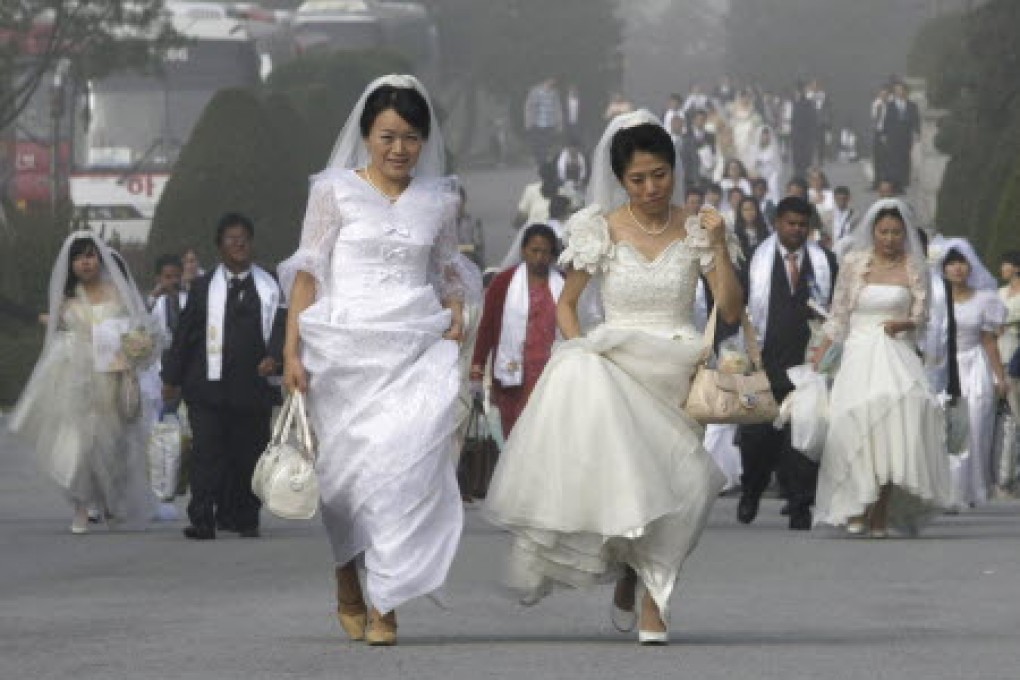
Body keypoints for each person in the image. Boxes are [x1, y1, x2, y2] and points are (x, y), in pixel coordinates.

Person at [484, 111, 743, 645]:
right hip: (617, 366)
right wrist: (581, 350)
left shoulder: (699, 229)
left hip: (677, 370)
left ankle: (650, 590)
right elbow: (568, 304)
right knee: (630, 483)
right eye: (637, 179)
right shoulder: (597, 229)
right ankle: (645, 590)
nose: (650, 188)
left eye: (660, 175)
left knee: (684, 486)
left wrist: (719, 246)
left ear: (675, 171)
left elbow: (731, 311)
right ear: (621, 180)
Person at [278, 75, 481, 646]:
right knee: (344, 482)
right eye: (388, 136)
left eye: (411, 137)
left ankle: (385, 601)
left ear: (424, 142)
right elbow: (308, 273)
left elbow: (448, 269)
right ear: (367, 135)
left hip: (413, 346)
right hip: (340, 350)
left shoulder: (440, 200)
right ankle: (347, 572)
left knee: (402, 472)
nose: (399, 148)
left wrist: (456, 311)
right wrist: (291, 350)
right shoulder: (333, 191)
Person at [812, 199, 951, 536]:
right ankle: (855, 502)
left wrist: (904, 324)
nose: (889, 238)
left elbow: (922, 315)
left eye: (896, 232)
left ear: (905, 234)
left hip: (896, 351)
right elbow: (839, 314)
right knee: (852, 422)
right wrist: (821, 353)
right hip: (858, 352)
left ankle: (881, 510)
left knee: (898, 422)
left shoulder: (914, 267)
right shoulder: (853, 263)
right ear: (873, 232)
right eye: (884, 231)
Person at [9, 231, 155, 533]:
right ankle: (80, 506)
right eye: (78, 258)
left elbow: (137, 330)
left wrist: (135, 355)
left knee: (113, 444)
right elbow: (55, 328)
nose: (85, 263)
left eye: (89, 255)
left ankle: (110, 501)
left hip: (112, 376)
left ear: (100, 259)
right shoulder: (67, 299)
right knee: (77, 444)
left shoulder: (118, 292)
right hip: (75, 376)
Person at [161, 213, 285, 541]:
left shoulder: (271, 285)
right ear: (220, 246)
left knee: (249, 454)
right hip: (207, 387)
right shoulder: (203, 288)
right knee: (207, 453)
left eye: (244, 238)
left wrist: (275, 357)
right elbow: (185, 335)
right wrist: (171, 379)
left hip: (253, 388)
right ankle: (202, 517)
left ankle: (245, 516)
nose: (239, 244)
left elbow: (283, 327)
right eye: (231, 238)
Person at [739, 196, 838, 530]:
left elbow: (837, 310)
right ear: (777, 224)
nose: (796, 230)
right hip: (763, 361)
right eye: (790, 224)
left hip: (807, 363)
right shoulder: (754, 259)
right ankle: (751, 489)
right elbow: (734, 305)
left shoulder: (826, 263)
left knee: (805, 433)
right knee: (756, 437)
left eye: (802, 225)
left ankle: (800, 505)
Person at [471, 225, 562, 436]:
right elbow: (487, 328)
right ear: (523, 250)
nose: (539, 258)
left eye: (545, 252)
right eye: (534, 251)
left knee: (550, 433)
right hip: (514, 379)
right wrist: (477, 369)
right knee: (516, 436)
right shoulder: (503, 283)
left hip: (552, 372)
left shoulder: (562, 284)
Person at [937, 242, 1007, 508]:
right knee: (948, 429)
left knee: (976, 426)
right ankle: (948, 491)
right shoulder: (937, 300)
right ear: (943, 269)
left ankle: (972, 489)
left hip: (975, 365)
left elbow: (989, 340)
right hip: (945, 367)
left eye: (962, 263)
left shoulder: (984, 299)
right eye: (952, 263)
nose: (957, 268)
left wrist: (1000, 377)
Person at [996, 251, 1020, 496]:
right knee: (1004, 419)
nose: (1003, 268)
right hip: (998, 356)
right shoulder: (1000, 293)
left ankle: (1008, 476)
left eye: (1007, 264)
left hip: (1016, 358)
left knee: (1014, 416)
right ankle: (1003, 476)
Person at [880, 81, 920, 189]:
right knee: (893, 158)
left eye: (900, 89)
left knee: (905, 157)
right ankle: (895, 180)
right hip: (893, 135)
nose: (898, 92)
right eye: (896, 90)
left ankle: (905, 180)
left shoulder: (912, 105)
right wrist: (884, 134)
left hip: (906, 135)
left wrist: (916, 132)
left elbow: (916, 120)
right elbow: (886, 120)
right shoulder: (890, 105)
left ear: (905, 91)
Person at [524, 77, 563, 164]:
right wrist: (528, 121)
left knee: (546, 143)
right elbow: (528, 107)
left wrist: (559, 123)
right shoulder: (535, 91)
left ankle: (543, 160)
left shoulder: (554, 93)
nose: (553, 82)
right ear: (547, 80)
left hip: (549, 123)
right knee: (538, 143)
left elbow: (557, 108)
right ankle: (540, 160)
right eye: (552, 80)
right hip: (537, 123)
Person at [515, 161, 561, 228]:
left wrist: (517, 224)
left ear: (540, 175)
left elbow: (522, 216)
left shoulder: (531, 189)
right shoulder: (563, 191)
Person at [682, 108, 715, 188]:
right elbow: (685, 158)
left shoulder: (710, 136)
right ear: (694, 120)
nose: (701, 122)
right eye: (699, 119)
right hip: (691, 177)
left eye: (703, 119)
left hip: (707, 175)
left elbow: (713, 153)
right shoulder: (686, 136)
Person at [733, 196, 770, 262]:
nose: (749, 212)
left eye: (752, 209)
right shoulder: (735, 234)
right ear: (740, 212)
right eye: (745, 210)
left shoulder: (765, 230)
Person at [752, 126, 781, 205]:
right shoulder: (755, 149)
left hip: (771, 176)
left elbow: (777, 165)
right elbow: (753, 164)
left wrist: (773, 176)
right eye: (763, 135)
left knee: (772, 189)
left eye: (767, 135)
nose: (765, 137)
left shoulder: (773, 149)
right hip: (759, 176)